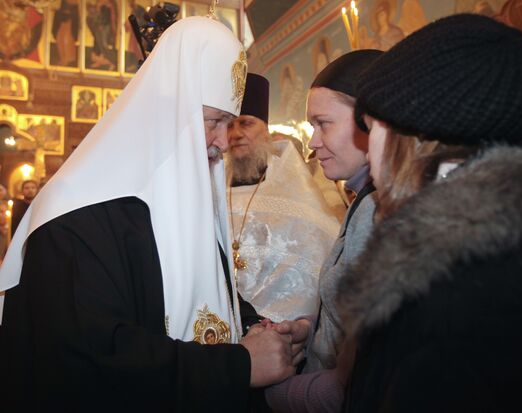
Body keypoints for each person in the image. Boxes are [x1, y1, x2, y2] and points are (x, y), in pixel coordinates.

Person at [0, 16, 308, 412]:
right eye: (214, 122)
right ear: (167, 113)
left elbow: (206, 290)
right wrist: (239, 366)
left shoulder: (182, 202)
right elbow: (90, 362)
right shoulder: (74, 216)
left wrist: (262, 330)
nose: (223, 142)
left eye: (229, 124)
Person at [339, 14, 522, 412]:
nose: (368, 151)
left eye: (372, 129)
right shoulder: (502, 255)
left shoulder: (461, 301)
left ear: (412, 137)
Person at [265, 49, 383, 413]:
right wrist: (309, 329)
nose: (313, 143)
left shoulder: (378, 208)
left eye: (323, 123)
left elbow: (359, 377)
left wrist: (270, 395)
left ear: (369, 122)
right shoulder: (366, 197)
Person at [226, 73, 340, 322]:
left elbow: (314, 246)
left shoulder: (294, 186)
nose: (235, 133)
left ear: (265, 130)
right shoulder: (212, 187)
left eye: (245, 123)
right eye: (229, 125)